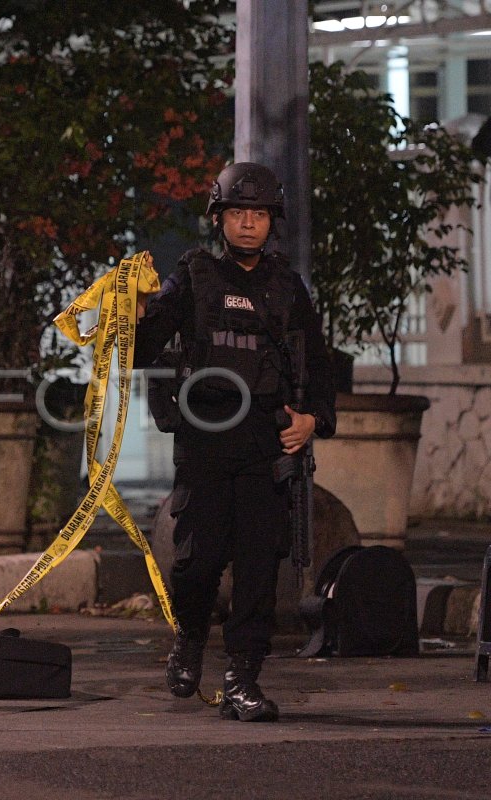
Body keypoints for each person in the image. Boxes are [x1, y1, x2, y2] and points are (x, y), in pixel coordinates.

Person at [133, 162, 337, 722]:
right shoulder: (194, 275)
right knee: (198, 563)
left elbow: (318, 364)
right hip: (204, 437)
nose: (249, 224)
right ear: (219, 219)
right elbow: (145, 346)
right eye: (238, 213)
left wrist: (313, 417)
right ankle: (190, 639)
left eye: (260, 214)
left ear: (273, 223)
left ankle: (243, 677)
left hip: (266, 442)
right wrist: (134, 306)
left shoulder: (285, 286)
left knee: (258, 568)